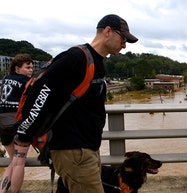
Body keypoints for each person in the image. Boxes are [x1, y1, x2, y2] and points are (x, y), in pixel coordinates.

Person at [13, 14, 138, 193]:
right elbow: (41, 93)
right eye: (123, 38)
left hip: (87, 150)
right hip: (73, 151)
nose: (125, 45)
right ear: (108, 32)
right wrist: (24, 133)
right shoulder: (76, 58)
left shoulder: (98, 63)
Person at [0, 54, 33, 193]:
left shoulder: (4, 79)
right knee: (19, 162)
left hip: (2, 124)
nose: (30, 70)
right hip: (17, 123)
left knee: (13, 161)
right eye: (27, 67)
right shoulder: (28, 82)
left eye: (31, 67)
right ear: (17, 68)